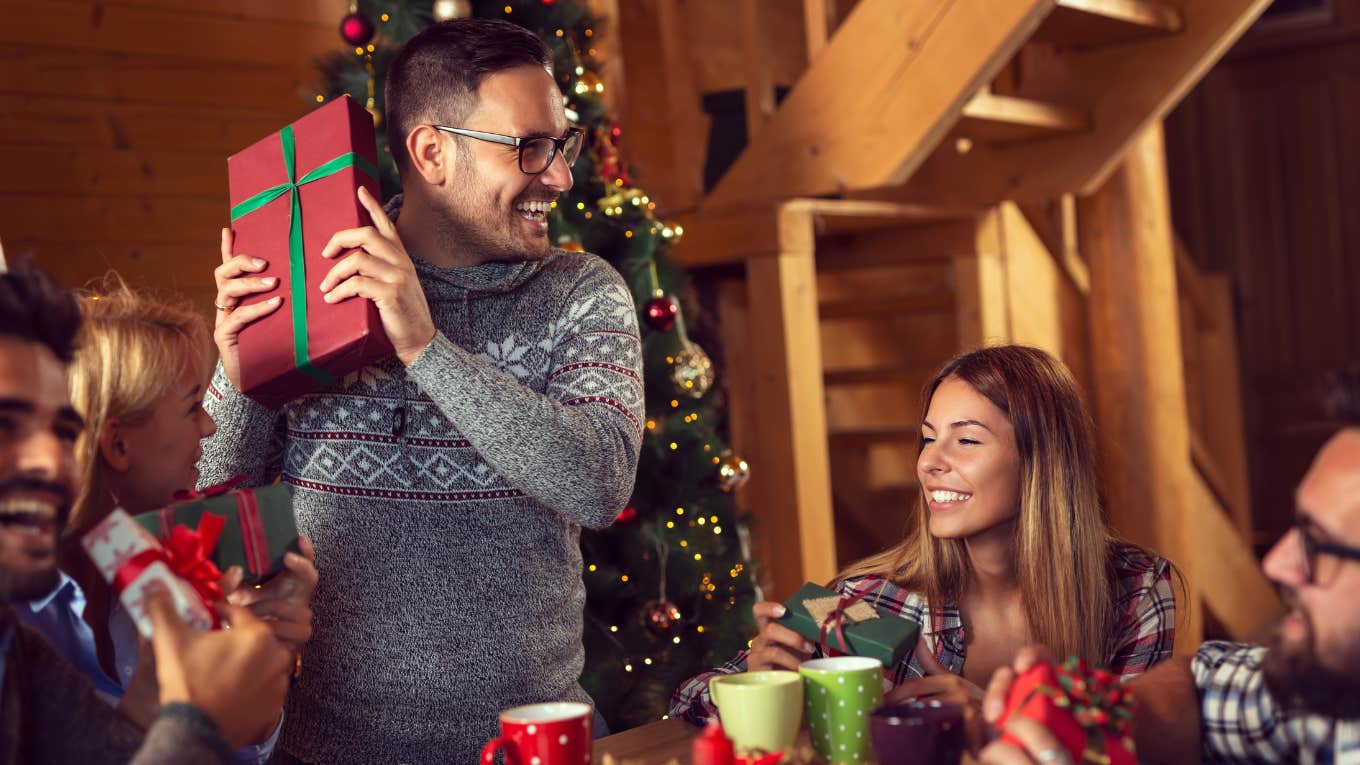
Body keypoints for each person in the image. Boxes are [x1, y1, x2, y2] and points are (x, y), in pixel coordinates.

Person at [204, 17, 644, 763]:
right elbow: (213, 518)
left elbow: (599, 481)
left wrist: (424, 347)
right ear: (432, 151)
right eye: (530, 147)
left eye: (561, 145)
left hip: (534, 748)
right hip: (327, 751)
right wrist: (240, 369)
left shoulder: (582, 293)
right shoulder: (313, 291)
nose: (561, 176)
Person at [672, 345, 1178, 735]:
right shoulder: (869, 599)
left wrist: (994, 720)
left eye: (967, 439)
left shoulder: (1136, 589)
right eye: (929, 436)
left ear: (1042, 461)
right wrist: (755, 682)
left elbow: (1136, 746)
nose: (930, 462)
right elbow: (686, 702)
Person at [979, 368, 1360, 765]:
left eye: (1320, 546)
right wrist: (1088, 721)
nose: (1276, 564)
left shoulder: (1138, 583)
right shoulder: (1335, 683)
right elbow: (1205, 691)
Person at [0, 259, 293, 763]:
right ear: (116, 444)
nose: (209, 427)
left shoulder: (146, 562)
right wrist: (201, 717)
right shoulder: (23, 615)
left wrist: (262, 681)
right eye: (191, 406)